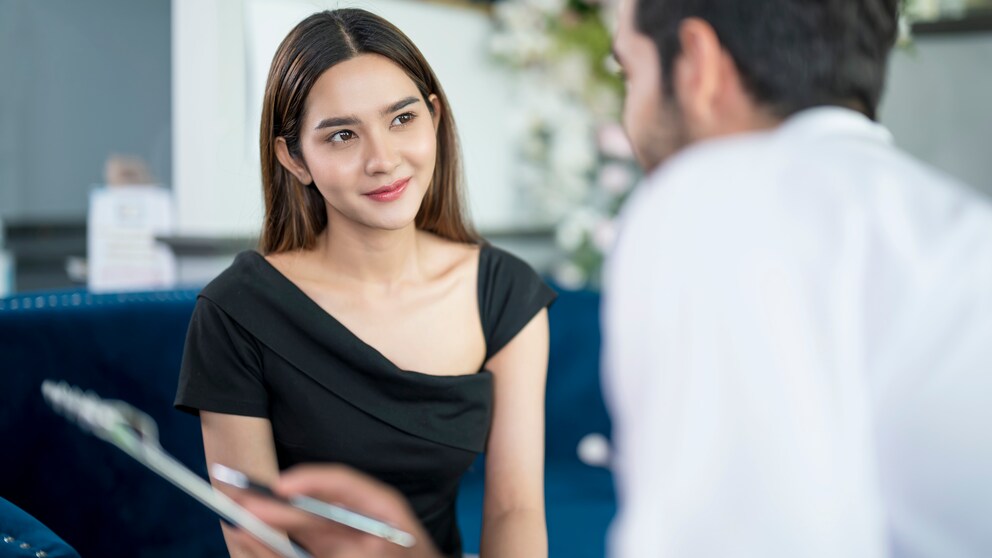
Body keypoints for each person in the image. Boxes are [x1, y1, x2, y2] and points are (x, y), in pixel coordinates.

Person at [225, 0, 992, 556]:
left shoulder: (714, 200)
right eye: (341, 135)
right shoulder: (959, 227)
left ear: (695, 64)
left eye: (627, 70)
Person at [174, 9, 554, 558]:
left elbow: (514, 508)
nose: (383, 160)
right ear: (294, 158)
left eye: (402, 120)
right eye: (343, 135)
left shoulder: (505, 292)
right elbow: (255, 542)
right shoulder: (234, 311)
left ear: (434, 118)